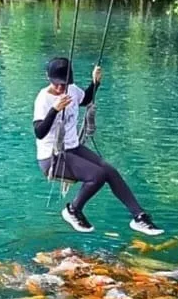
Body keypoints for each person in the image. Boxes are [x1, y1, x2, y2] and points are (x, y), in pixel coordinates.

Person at [33, 55, 161, 236]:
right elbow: (39, 132)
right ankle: (73, 210)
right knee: (97, 175)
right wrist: (54, 109)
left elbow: (85, 99)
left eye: (64, 83)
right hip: (52, 156)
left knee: (110, 171)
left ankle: (139, 217)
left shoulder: (72, 90)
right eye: (57, 84)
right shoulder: (43, 99)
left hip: (73, 148)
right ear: (48, 78)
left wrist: (95, 83)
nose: (61, 88)